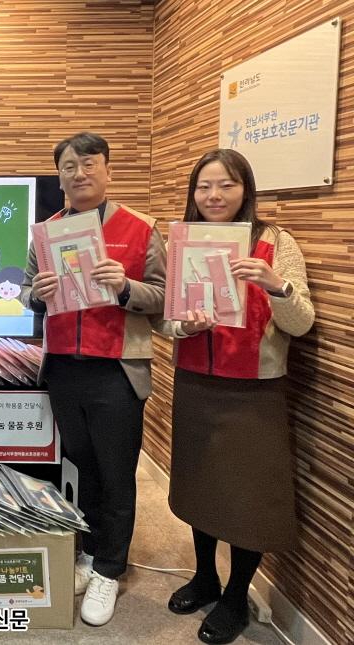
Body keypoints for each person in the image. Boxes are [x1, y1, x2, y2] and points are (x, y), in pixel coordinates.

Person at [161, 149, 314, 644]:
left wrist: (277, 286)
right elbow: (166, 321)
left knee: (249, 498)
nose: (214, 195)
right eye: (204, 186)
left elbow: (301, 323)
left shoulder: (275, 242)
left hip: (254, 389)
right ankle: (205, 577)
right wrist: (185, 326)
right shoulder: (182, 241)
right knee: (200, 485)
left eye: (226, 184)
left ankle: (235, 595)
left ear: (245, 189)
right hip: (196, 384)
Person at [20, 131, 166, 626]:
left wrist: (125, 288)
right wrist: (36, 295)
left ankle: (109, 568)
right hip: (63, 368)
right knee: (80, 468)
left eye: (89, 164)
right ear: (59, 176)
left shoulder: (140, 228)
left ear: (107, 170)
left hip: (116, 370)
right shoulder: (46, 232)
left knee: (116, 472)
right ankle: (88, 552)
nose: (79, 173)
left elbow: (165, 297)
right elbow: (26, 291)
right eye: (69, 166)